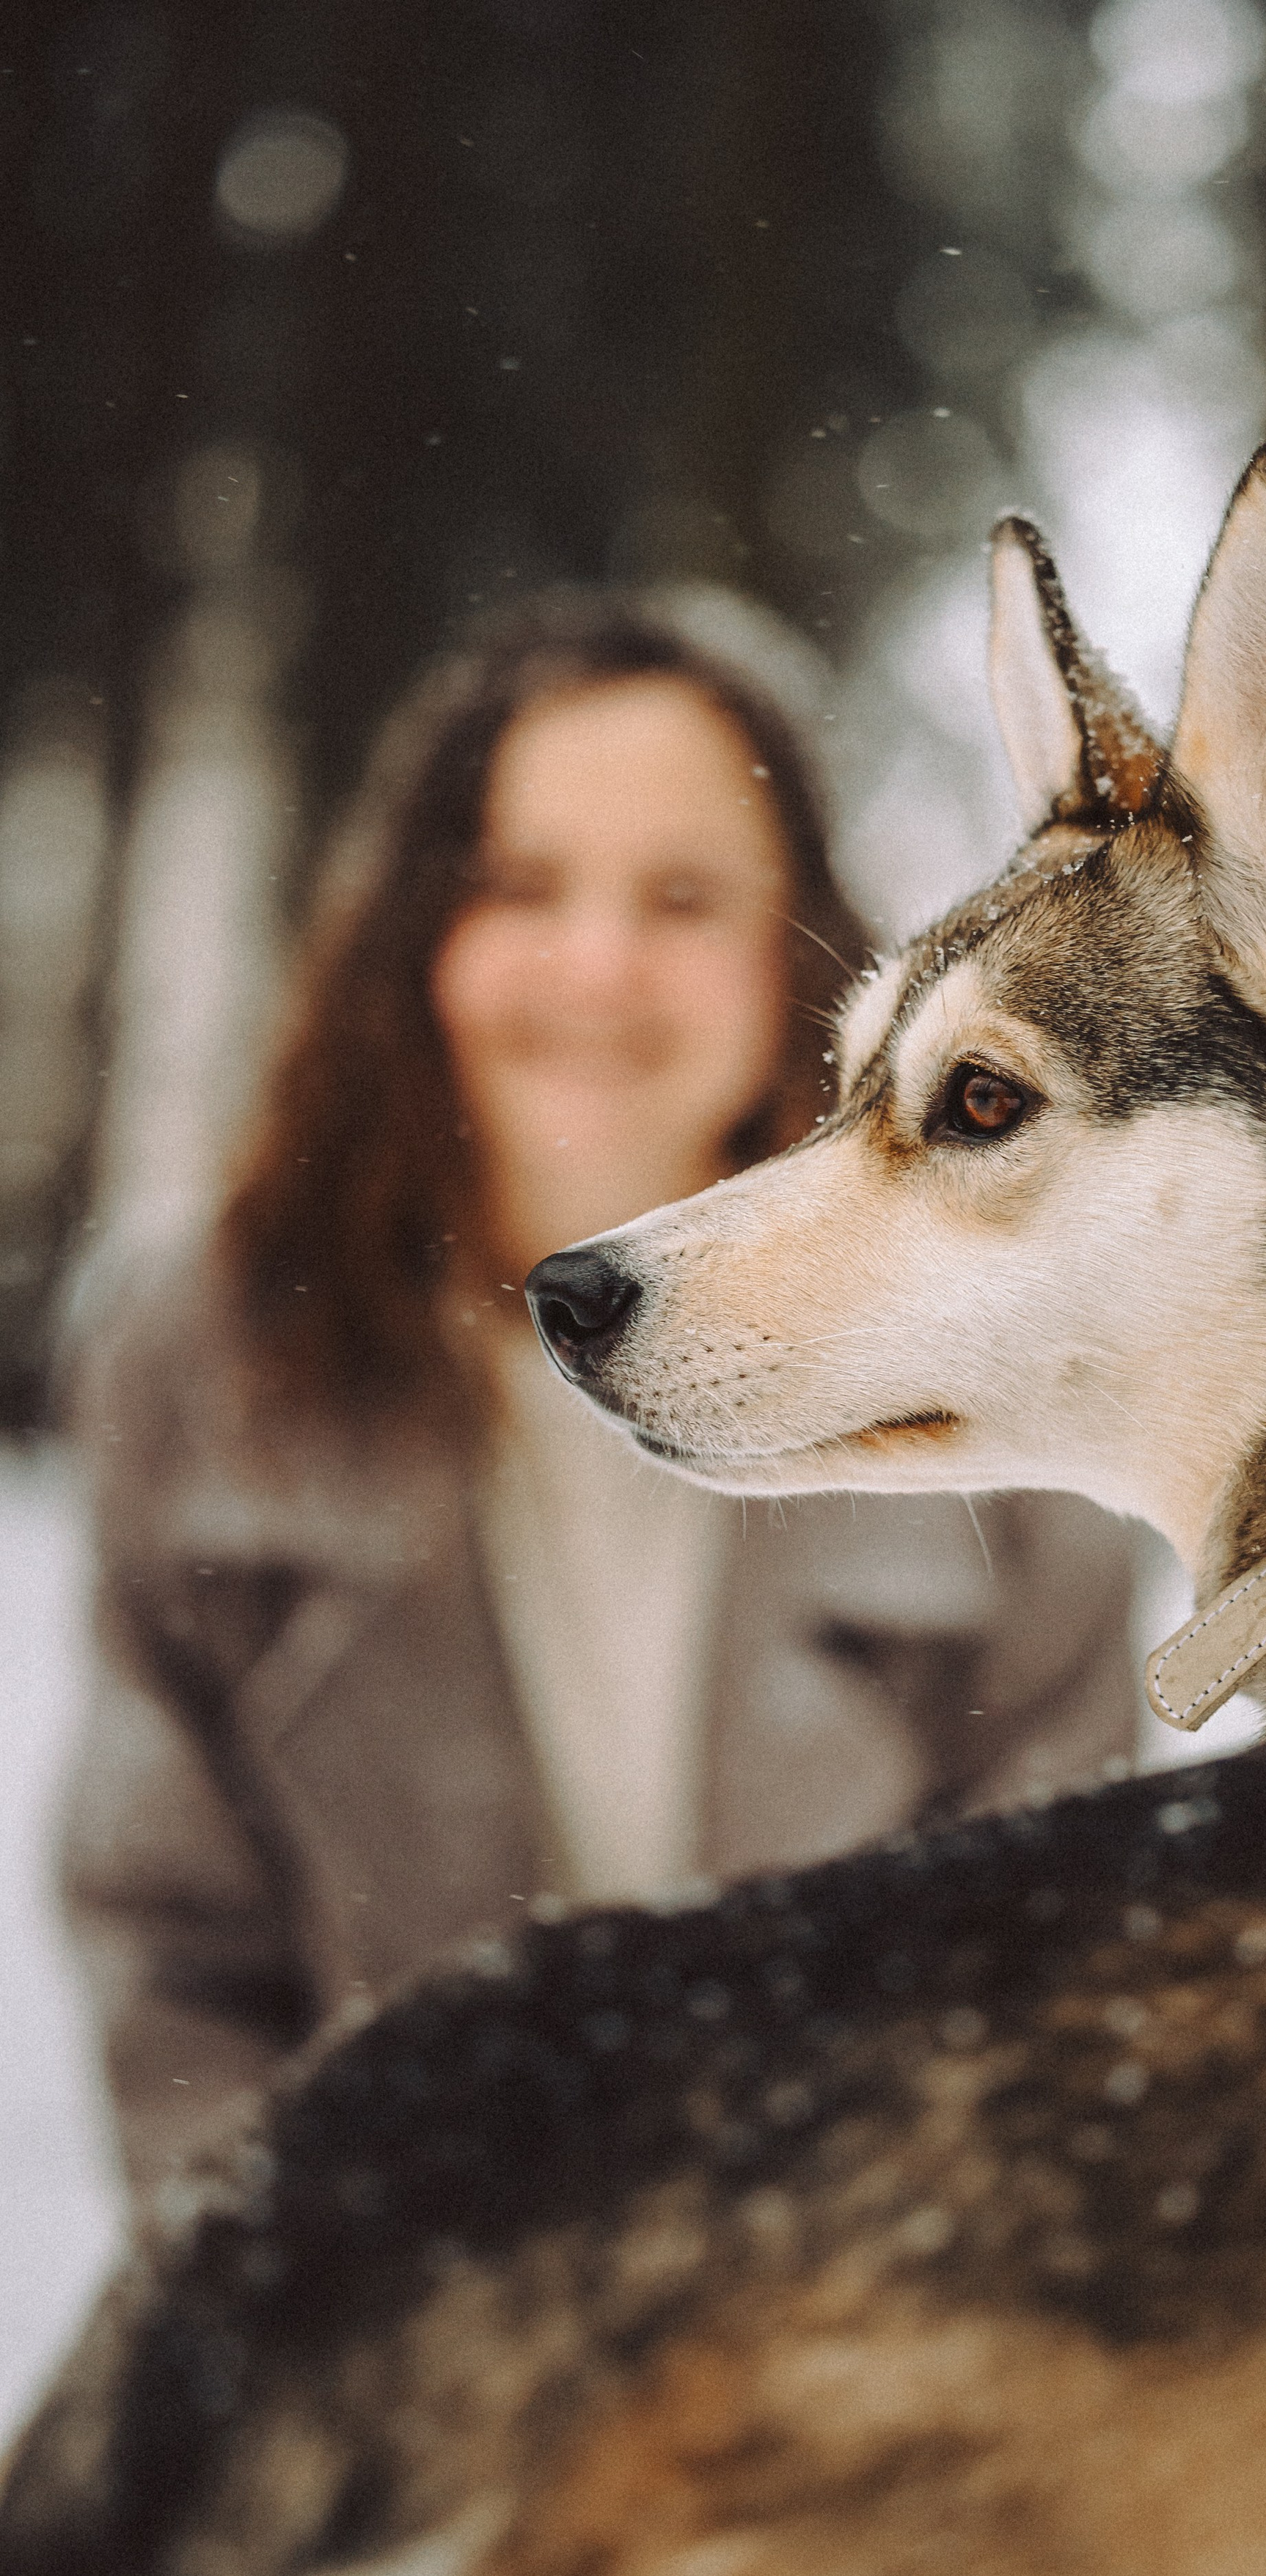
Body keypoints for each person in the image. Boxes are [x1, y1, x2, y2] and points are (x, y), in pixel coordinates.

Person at [60, 592, 1143, 2203]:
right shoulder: (199, 1364)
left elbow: (1054, 1999)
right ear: (414, 936)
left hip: (861, 2319)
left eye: (682, 898)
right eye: (521, 886)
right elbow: (176, 1975)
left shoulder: (1002, 1391)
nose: (597, 965)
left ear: (796, 948)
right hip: (356, 2313)